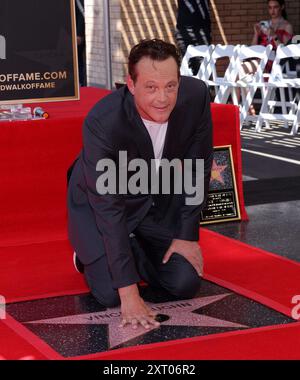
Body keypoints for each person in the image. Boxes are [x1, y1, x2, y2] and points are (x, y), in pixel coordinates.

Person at [67, 39, 213, 330]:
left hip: (154, 203)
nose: (163, 98)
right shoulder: (103, 122)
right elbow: (108, 209)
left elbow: (198, 166)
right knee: (111, 294)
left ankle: (137, 250)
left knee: (184, 283)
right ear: (130, 85)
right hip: (103, 207)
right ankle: (87, 256)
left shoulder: (196, 96)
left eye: (170, 86)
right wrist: (129, 292)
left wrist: (186, 234)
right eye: (151, 87)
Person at [175, 0, 211, 75]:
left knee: (202, 66)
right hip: (183, 30)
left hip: (201, 31)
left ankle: (204, 86)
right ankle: (191, 85)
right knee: (187, 66)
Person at [75, 0, 86, 86]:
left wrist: (79, 33)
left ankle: (80, 83)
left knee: (78, 60)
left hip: (77, 36)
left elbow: (82, 13)